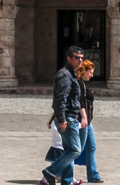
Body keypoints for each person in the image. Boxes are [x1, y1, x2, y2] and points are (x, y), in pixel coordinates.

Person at [43, 47, 85, 185]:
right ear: (69, 58)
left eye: (81, 57)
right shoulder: (65, 75)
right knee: (75, 150)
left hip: (70, 117)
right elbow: (60, 99)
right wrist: (62, 119)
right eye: (77, 57)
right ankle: (51, 171)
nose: (80, 60)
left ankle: (66, 181)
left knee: (68, 151)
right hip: (68, 118)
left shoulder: (71, 74)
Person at [75, 60, 101, 183]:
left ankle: (93, 176)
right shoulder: (79, 83)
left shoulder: (84, 84)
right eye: (90, 72)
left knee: (91, 146)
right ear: (84, 71)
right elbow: (80, 101)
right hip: (82, 120)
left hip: (88, 120)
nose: (92, 75)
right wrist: (84, 117)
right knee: (76, 149)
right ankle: (57, 171)